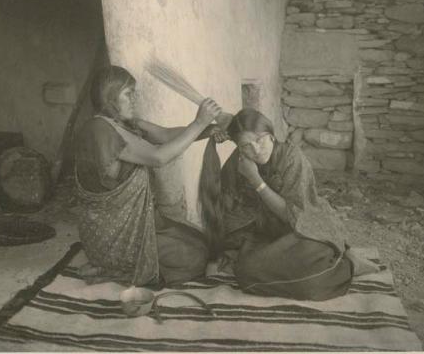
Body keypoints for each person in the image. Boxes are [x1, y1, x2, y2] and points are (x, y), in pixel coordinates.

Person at [199, 108, 379, 301]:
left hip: (302, 231)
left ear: (271, 136)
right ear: (238, 148)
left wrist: (256, 181)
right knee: (247, 270)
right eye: (246, 145)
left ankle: (348, 266)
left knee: (311, 283)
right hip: (267, 237)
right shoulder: (238, 162)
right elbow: (226, 211)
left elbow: (295, 216)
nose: (256, 149)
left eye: (260, 139)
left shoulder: (292, 157)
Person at [74, 65, 222, 287]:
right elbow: (158, 157)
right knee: (196, 259)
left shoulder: (124, 124)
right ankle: (114, 268)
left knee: (202, 241)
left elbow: (164, 135)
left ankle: (126, 265)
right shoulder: (99, 129)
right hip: (116, 236)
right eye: (128, 94)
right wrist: (199, 122)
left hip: (139, 223)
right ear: (109, 96)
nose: (134, 100)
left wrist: (209, 130)